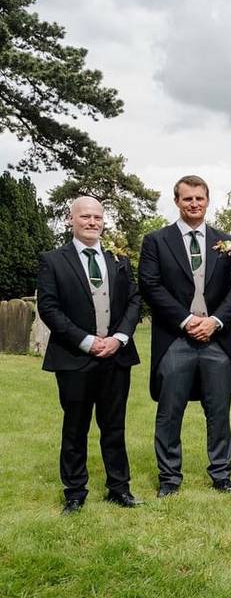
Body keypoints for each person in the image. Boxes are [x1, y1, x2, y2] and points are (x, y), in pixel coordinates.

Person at [138, 175, 231, 496]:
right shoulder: (156, 241)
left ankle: (221, 475)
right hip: (175, 340)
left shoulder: (227, 241)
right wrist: (186, 321)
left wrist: (215, 321)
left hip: (216, 341)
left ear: (208, 200)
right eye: (187, 199)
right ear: (177, 202)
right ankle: (169, 479)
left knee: (219, 412)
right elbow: (150, 285)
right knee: (170, 412)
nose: (194, 204)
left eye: (199, 198)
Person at [37, 197, 142, 514]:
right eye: (85, 216)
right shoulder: (53, 260)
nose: (92, 222)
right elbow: (49, 308)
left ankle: (119, 488)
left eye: (98, 217)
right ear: (72, 220)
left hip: (116, 357)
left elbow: (135, 301)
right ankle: (74, 491)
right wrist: (86, 341)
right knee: (75, 426)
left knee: (115, 426)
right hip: (74, 357)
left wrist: (119, 338)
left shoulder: (117, 259)